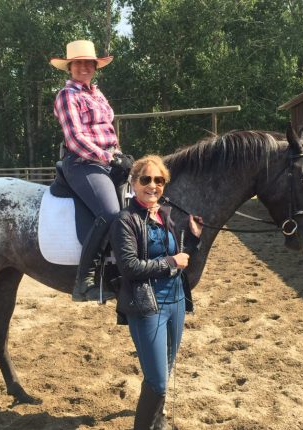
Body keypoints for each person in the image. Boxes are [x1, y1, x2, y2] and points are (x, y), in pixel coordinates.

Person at [109, 155, 203, 430]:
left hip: (176, 302)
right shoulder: (125, 220)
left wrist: (193, 239)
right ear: (134, 183)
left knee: (163, 372)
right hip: (147, 305)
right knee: (158, 381)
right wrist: (171, 262)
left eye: (159, 180)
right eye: (146, 179)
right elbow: (129, 267)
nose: (153, 185)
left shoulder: (164, 215)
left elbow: (178, 257)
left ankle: (156, 424)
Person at [51, 40, 132, 302]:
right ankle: (84, 281)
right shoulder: (67, 96)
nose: (84, 67)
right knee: (110, 213)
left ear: (95, 67)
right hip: (82, 163)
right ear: (70, 67)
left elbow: (108, 131)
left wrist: (120, 155)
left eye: (89, 63)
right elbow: (75, 138)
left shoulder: (97, 94)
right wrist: (108, 158)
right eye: (78, 63)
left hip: (108, 159)